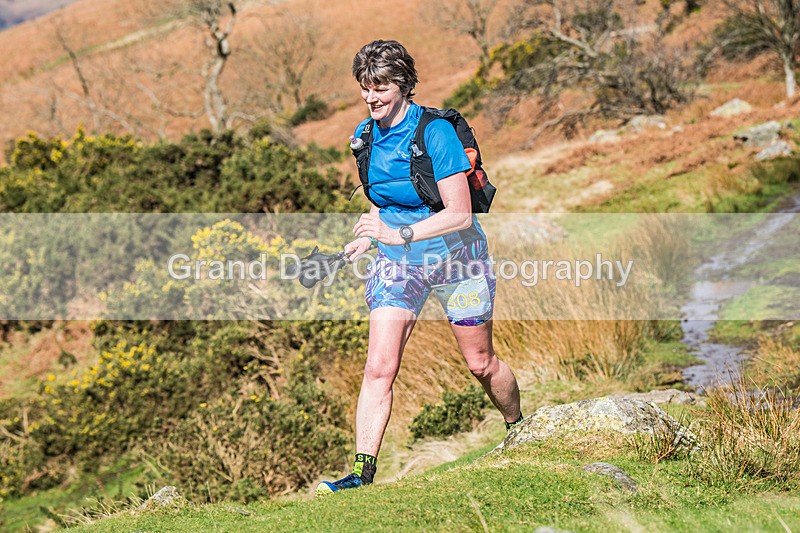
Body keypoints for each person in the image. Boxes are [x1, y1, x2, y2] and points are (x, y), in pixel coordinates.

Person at [315, 40, 522, 496]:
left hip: (458, 259)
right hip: (398, 264)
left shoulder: (435, 133)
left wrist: (398, 234)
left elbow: (460, 214)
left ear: (403, 84)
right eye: (365, 88)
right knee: (378, 368)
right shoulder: (365, 136)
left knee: (480, 363)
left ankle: (518, 430)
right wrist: (368, 237)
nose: (371, 98)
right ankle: (361, 476)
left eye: (381, 87)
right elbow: (386, 203)